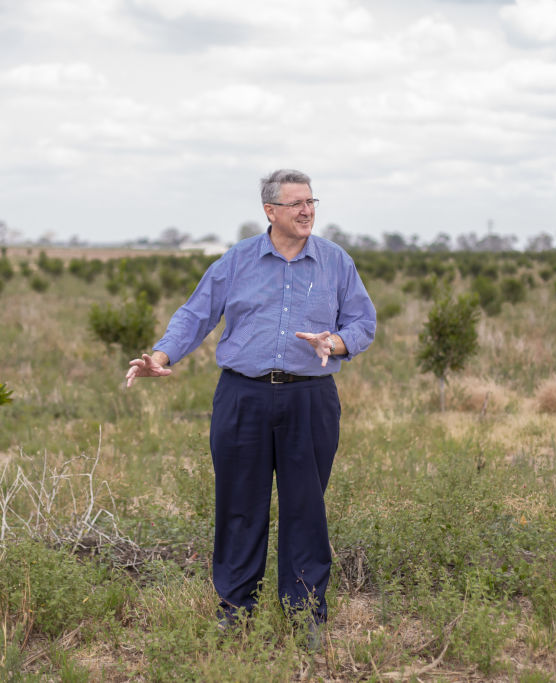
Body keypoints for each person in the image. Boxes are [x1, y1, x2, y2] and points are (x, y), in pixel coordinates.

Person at [125, 169, 376, 636]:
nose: (307, 211)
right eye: (296, 203)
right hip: (243, 396)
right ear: (270, 211)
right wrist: (160, 355)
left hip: (309, 397)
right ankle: (234, 612)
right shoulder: (236, 261)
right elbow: (195, 315)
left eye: (311, 201)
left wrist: (336, 343)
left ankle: (304, 617)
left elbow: (364, 322)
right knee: (240, 506)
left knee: (305, 507)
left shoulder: (336, 262)